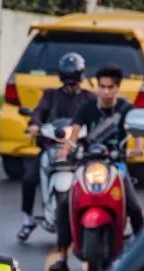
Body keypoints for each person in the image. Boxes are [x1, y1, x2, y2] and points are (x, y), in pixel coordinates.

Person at [50, 64, 144, 271]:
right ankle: (63, 257)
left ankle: (143, 255)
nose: (106, 91)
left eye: (110, 87)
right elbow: (74, 133)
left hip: (116, 166)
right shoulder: (87, 108)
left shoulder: (126, 110)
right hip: (87, 164)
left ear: (117, 88)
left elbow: (138, 134)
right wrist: (66, 150)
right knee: (65, 203)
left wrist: (137, 149)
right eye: (102, 86)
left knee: (135, 208)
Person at [17, 52, 96, 243]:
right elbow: (39, 112)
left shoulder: (89, 98)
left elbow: (97, 118)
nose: (71, 86)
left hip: (80, 150)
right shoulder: (50, 95)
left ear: (81, 77)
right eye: (68, 82)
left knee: (97, 179)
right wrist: (34, 125)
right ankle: (28, 219)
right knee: (29, 177)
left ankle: (93, 216)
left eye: (74, 82)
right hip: (52, 147)